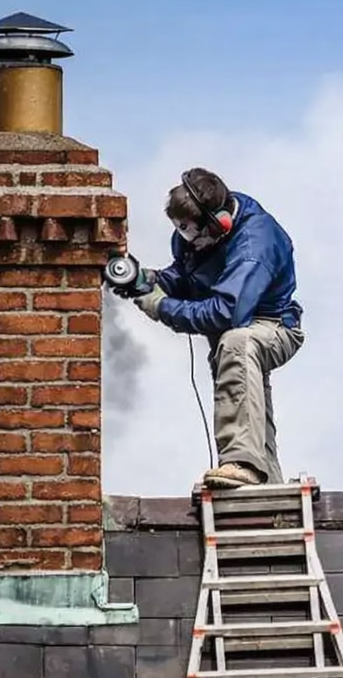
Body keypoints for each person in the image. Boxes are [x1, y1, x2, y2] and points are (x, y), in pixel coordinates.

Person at [112, 167, 305, 489]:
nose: (188, 242)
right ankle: (267, 482)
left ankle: (242, 464)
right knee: (249, 401)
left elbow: (225, 313)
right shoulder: (199, 235)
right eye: (181, 233)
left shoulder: (254, 245)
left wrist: (160, 306)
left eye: (192, 234)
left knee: (237, 343)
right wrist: (147, 280)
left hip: (273, 327)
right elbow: (187, 276)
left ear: (220, 224)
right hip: (236, 333)